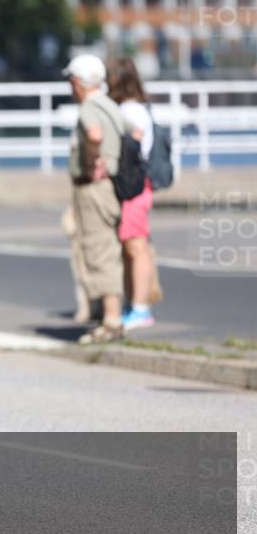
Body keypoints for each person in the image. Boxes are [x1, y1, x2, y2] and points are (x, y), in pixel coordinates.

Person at [63, 54, 140, 345]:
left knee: (98, 250)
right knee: (107, 247)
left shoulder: (89, 108)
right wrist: (116, 160)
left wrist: (97, 160)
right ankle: (111, 317)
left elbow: (94, 135)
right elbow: (136, 132)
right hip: (110, 189)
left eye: (72, 80)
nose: (71, 86)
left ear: (79, 82)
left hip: (94, 188)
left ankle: (110, 320)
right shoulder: (110, 105)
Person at [106, 57, 156, 331]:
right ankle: (134, 303)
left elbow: (131, 145)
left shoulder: (131, 111)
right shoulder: (131, 108)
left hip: (134, 185)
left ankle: (140, 307)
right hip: (134, 184)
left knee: (137, 246)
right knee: (131, 246)